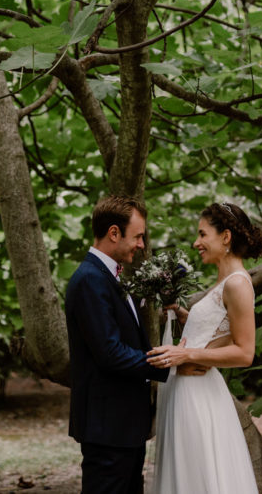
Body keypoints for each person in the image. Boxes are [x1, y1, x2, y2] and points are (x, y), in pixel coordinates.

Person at [66, 195, 187, 494]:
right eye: (138, 236)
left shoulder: (111, 276)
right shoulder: (90, 280)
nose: (142, 245)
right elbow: (109, 353)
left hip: (124, 425)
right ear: (114, 233)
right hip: (107, 427)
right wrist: (166, 360)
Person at [146, 201, 262, 493]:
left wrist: (186, 353)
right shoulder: (223, 282)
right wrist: (187, 318)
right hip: (187, 392)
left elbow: (244, 352)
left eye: (202, 234)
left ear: (225, 237)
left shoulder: (238, 283)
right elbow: (221, 330)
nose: (196, 242)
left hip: (200, 396)